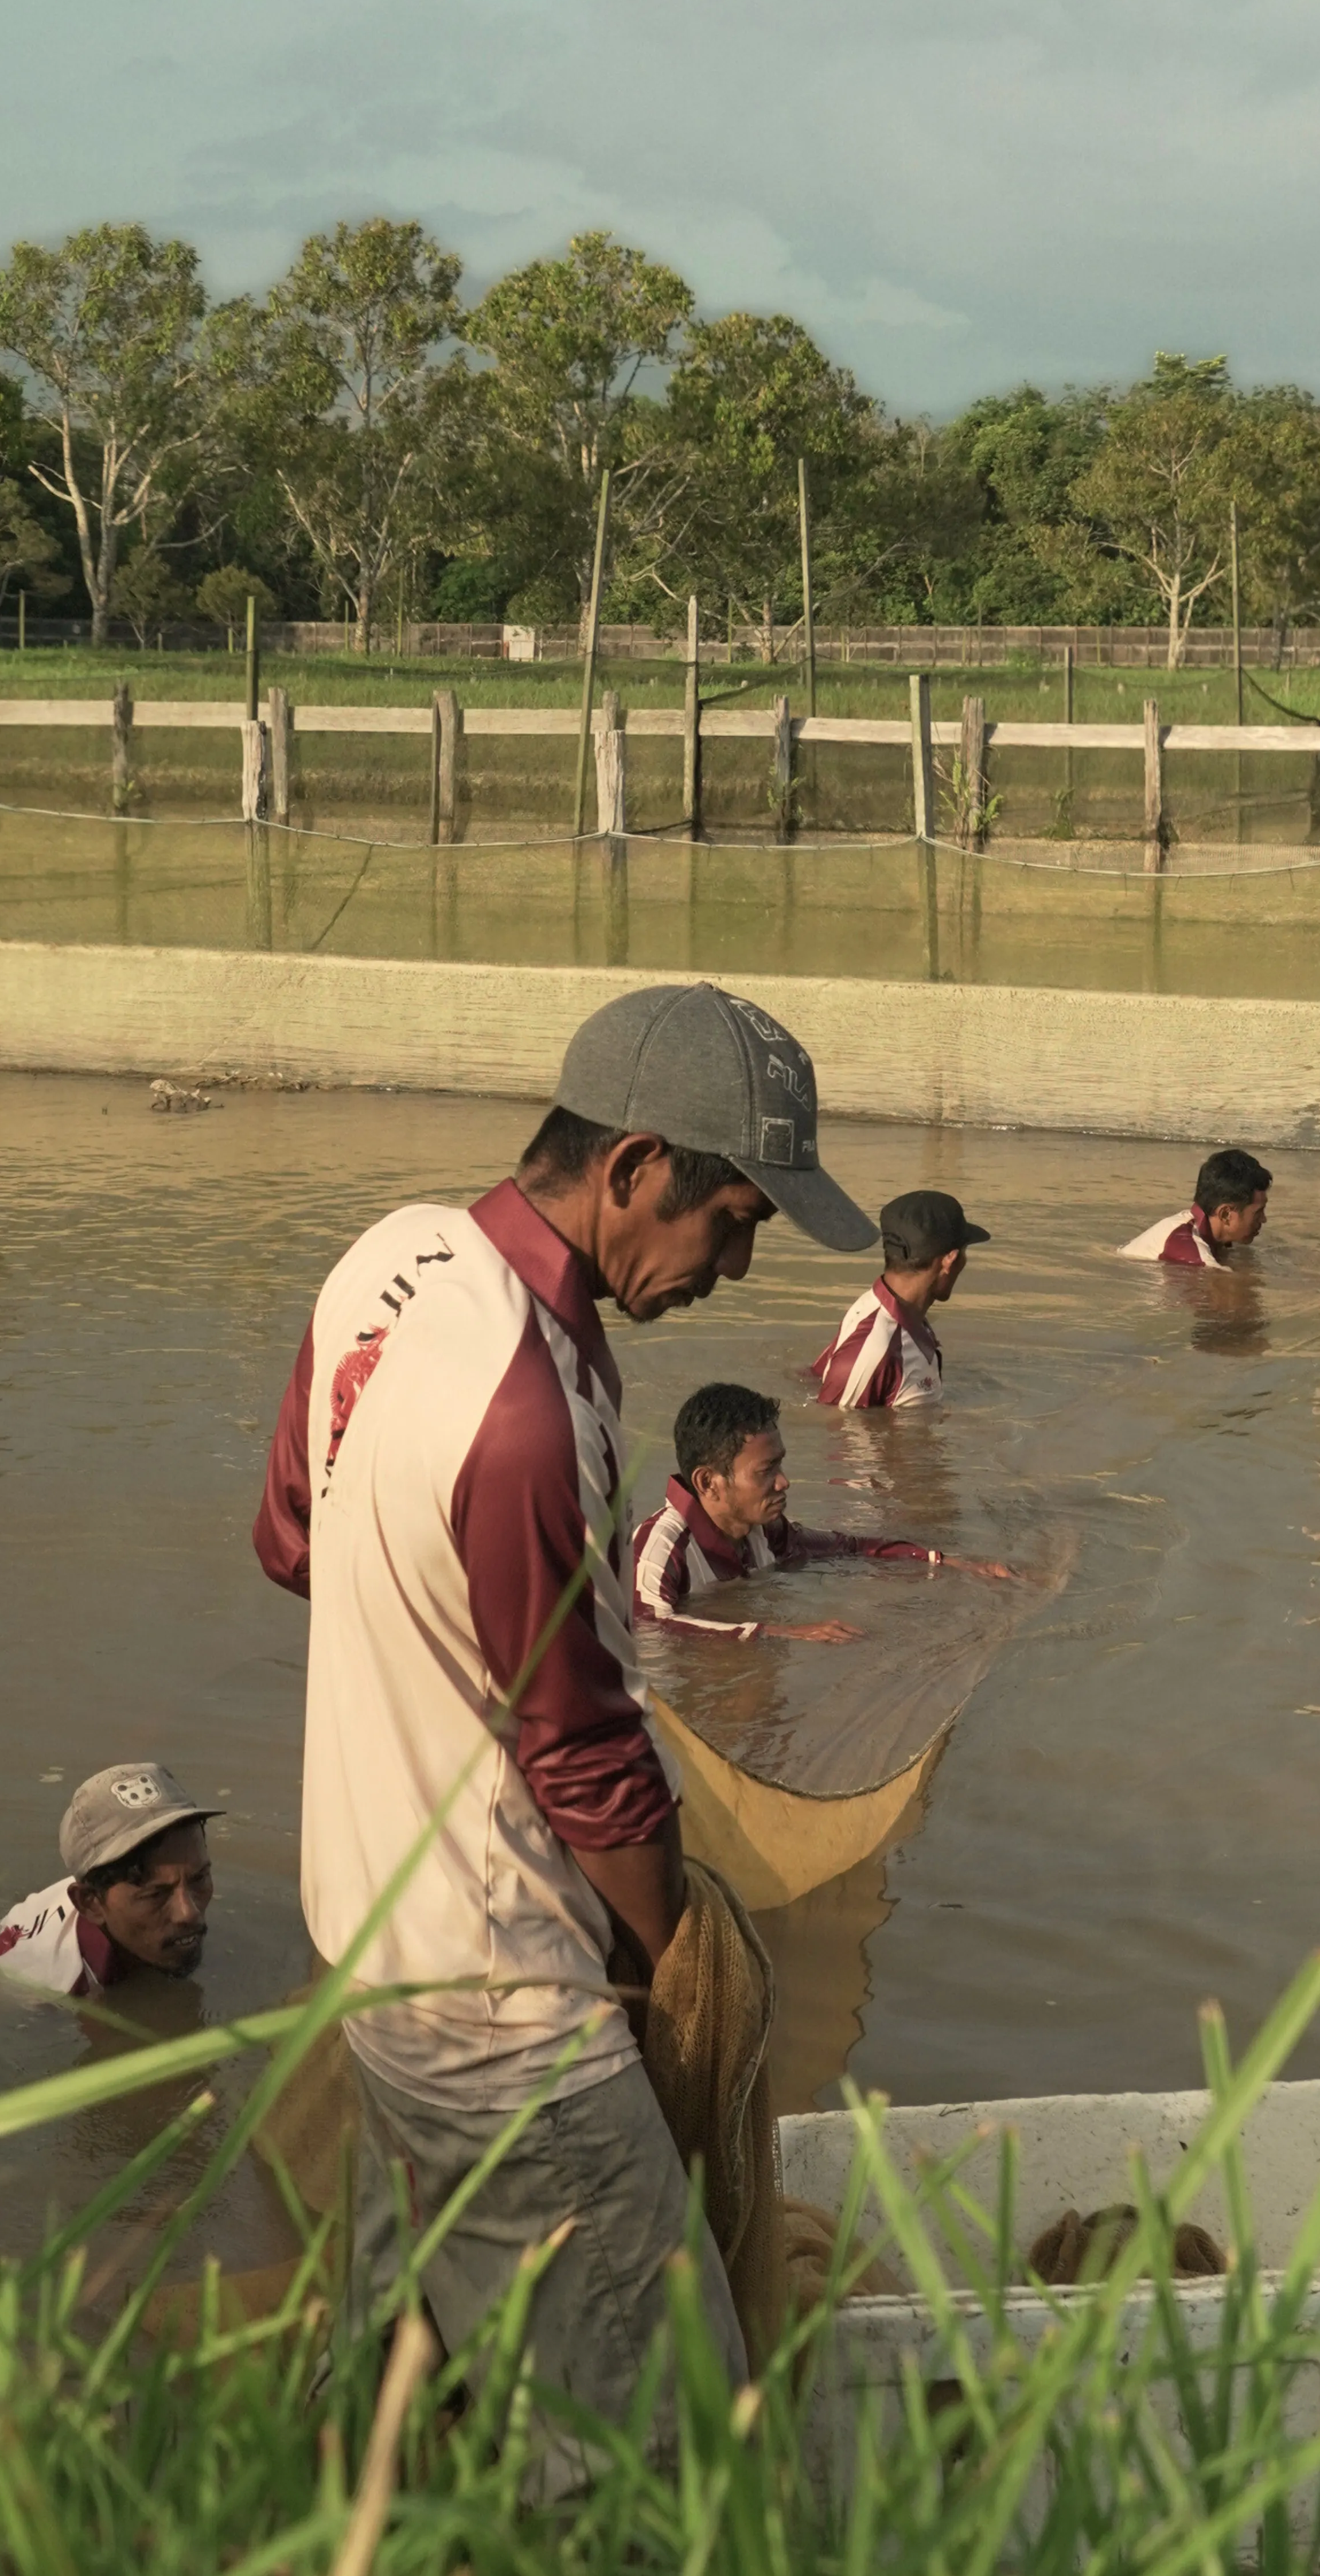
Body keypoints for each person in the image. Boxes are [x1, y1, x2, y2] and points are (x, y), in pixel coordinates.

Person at [251, 982, 876, 2469]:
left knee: (410, 2383)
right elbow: (583, 1752)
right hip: (501, 2002)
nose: (733, 1268)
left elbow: (290, 1539)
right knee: (659, 2430)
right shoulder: (524, 1400)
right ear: (637, 1167)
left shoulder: (390, 1262)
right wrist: (672, 1958)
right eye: (731, 1222)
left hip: (369, 1936)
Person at [632, 1378, 1010, 1640]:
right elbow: (651, 1628)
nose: (783, 1482)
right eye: (766, 1471)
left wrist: (943, 1562)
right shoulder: (659, 1550)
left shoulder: (765, 1529)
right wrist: (783, 1632)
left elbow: (848, 1548)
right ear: (707, 1482)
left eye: (780, 1465)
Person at [0, 1760, 220, 1996]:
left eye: (199, 1878)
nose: (189, 1913)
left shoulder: (108, 1884)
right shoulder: (53, 1988)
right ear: (90, 1903)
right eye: (156, 1894)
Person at [808, 1185, 989, 1410]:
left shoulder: (899, 1313)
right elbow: (835, 1425)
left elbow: (817, 1376)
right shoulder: (874, 1351)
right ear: (949, 1260)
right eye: (964, 1252)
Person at [1119, 1147, 1272, 1270]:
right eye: (1258, 1212)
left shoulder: (1205, 1232)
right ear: (1226, 1215)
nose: (1264, 1219)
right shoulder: (1191, 1250)